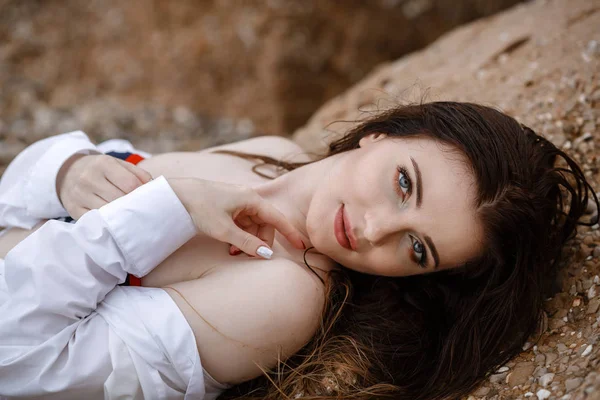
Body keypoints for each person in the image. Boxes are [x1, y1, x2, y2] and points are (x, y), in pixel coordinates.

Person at [0, 101, 597, 399]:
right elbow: (16, 198)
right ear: (381, 135)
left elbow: (19, 362)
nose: (373, 230)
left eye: (417, 249)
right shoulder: (264, 152)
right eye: (403, 183)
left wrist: (167, 210)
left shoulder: (280, 294)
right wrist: (68, 169)